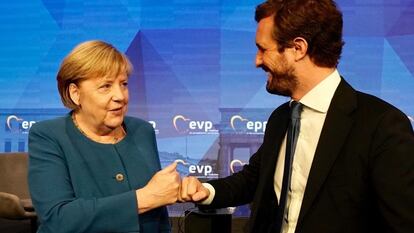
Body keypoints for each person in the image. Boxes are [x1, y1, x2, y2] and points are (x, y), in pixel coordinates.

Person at [179, 0, 414, 233]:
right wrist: (205, 191)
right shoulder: (281, 119)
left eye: (263, 49)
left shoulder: (382, 125)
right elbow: (254, 180)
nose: (257, 60)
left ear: (298, 48)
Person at [28, 40, 180, 233]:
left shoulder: (142, 131)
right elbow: (58, 218)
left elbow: (159, 219)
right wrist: (144, 198)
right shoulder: (49, 135)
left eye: (123, 84)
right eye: (105, 86)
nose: (120, 95)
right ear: (75, 93)